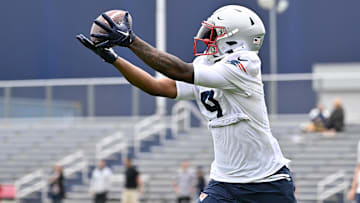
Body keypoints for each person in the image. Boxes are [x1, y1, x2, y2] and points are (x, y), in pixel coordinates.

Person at [77, 4, 296, 202]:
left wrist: (131, 41)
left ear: (234, 39)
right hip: (224, 182)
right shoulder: (206, 65)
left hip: (268, 182)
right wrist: (113, 58)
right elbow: (156, 86)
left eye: (214, 33)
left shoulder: (246, 64)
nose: (207, 38)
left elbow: (179, 70)